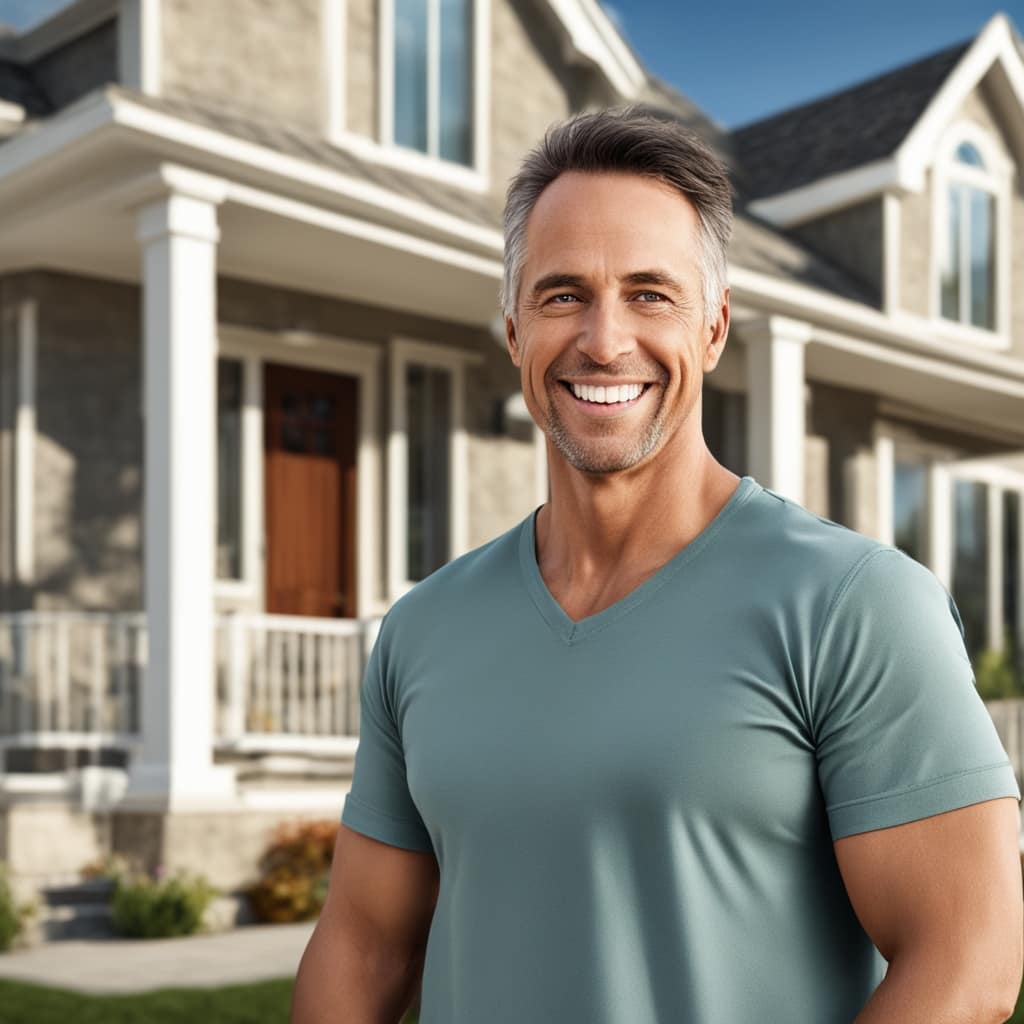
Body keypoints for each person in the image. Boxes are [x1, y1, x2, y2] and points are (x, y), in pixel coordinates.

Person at [291, 108, 1023, 1024]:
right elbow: (364, 948)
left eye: (649, 294)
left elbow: (967, 964)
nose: (604, 340)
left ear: (713, 329)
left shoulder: (856, 603)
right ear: (514, 332)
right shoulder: (422, 630)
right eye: (563, 295)